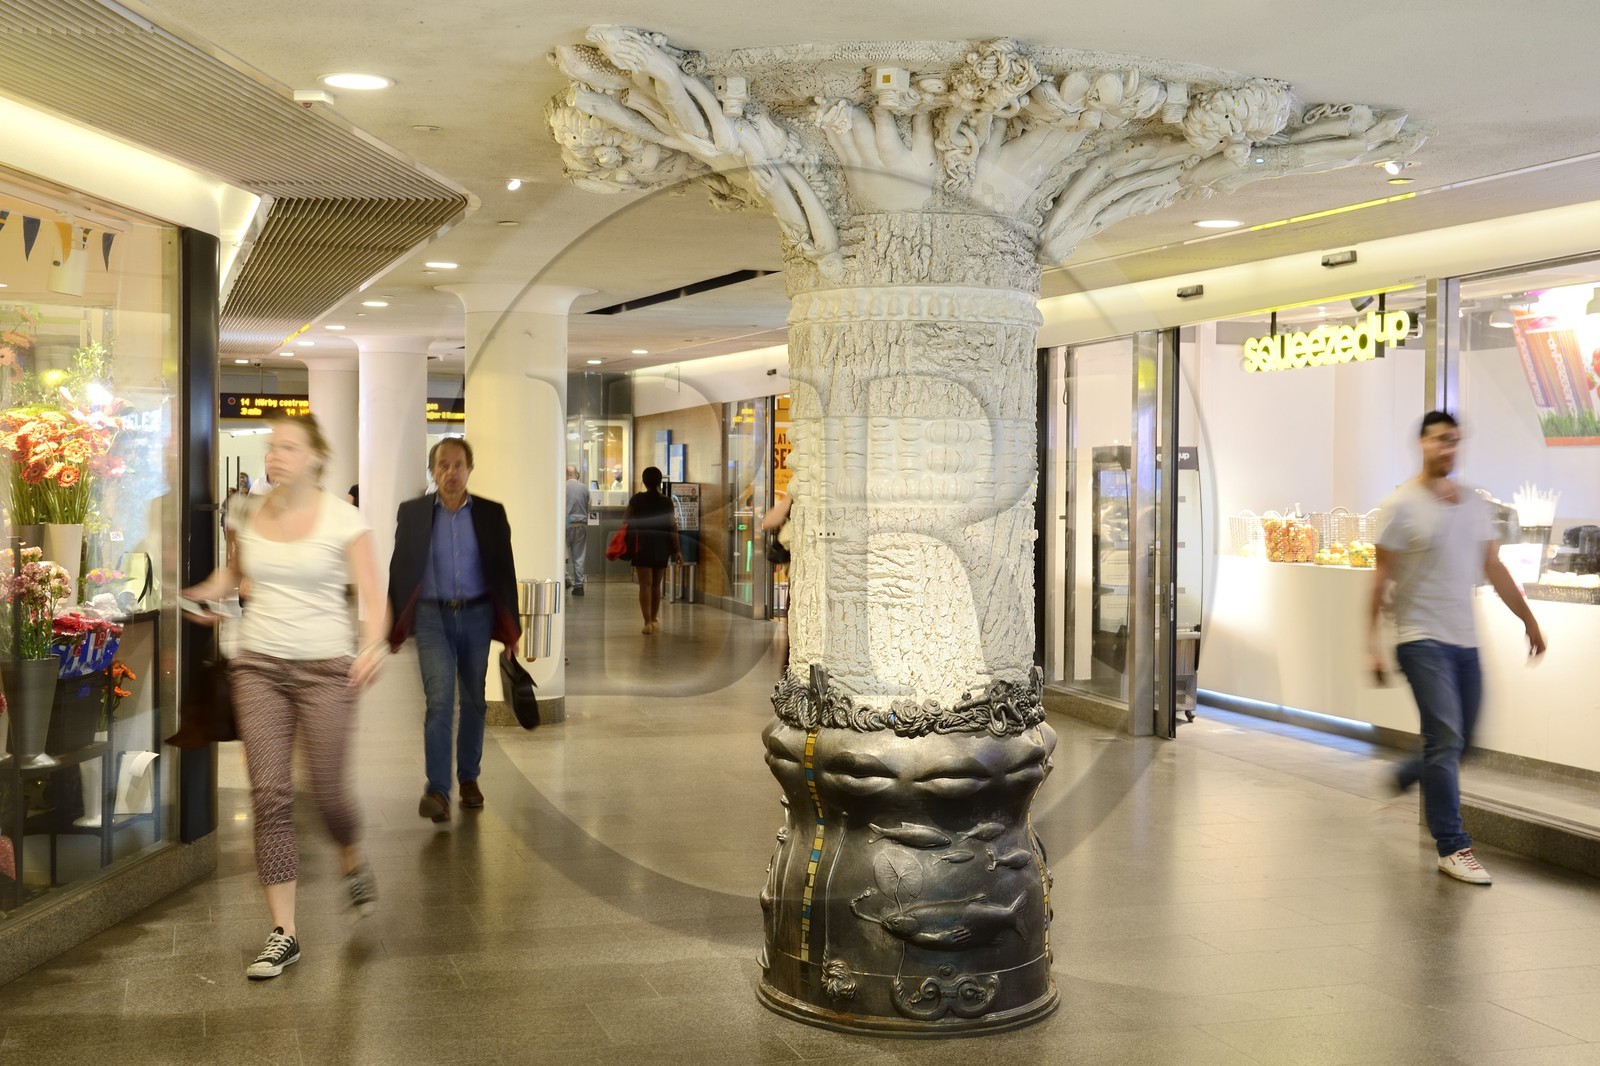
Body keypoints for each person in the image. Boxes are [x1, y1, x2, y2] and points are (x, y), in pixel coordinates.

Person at [181, 412, 387, 980]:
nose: (275, 457)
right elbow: (236, 577)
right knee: (269, 795)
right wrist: (202, 593)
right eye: (272, 448)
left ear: (316, 458)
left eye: (289, 449)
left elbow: (374, 595)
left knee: (328, 795)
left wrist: (371, 645)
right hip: (258, 666)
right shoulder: (248, 513)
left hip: (326, 669)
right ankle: (284, 933)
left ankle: (351, 853)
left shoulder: (343, 519)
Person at [1367, 411, 1546, 885]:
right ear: (1422, 443)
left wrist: (1528, 619)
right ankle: (1453, 846)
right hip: (1419, 640)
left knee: (1465, 743)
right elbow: (1381, 577)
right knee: (1446, 741)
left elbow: (1493, 567)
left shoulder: (1472, 503)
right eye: (1441, 441)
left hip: (1464, 642)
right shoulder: (1401, 506)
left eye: (1456, 442)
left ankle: (1408, 772)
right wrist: (1371, 645)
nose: (1450, 449)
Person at [387, 437, 521, 824]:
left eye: (458, 464)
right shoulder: (413, 514)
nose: (450, 472)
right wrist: (393, 622)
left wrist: (512, 629)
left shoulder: (491, 514)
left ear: (469, 469)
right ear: (432, 471)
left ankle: (469, 779)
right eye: (442, 465)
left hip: (478, 615)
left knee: (474, 702)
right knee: (440, 701)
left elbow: (504, 572)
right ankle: (437, 790)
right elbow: (400, 567)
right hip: (432, 618)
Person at [625, 465, 681, 634]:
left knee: (645, 585)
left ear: (644, 481)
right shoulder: (666, 501)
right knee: (656, 584)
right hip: (661, 545)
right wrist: (677, 550)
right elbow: (672, 526)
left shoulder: (636, 500)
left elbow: (625, 520)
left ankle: (647, 621)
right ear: (659, 482)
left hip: (641, 544)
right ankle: (654, 619)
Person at [565, 465, 591, 597]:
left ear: (565, 474)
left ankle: (565, 578)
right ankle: (579, 586)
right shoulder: (584, 488)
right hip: (581, 524)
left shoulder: (561, 487)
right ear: (577, 474)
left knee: (562, 555)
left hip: (566, 524)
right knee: (579, 556)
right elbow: (588, 505)